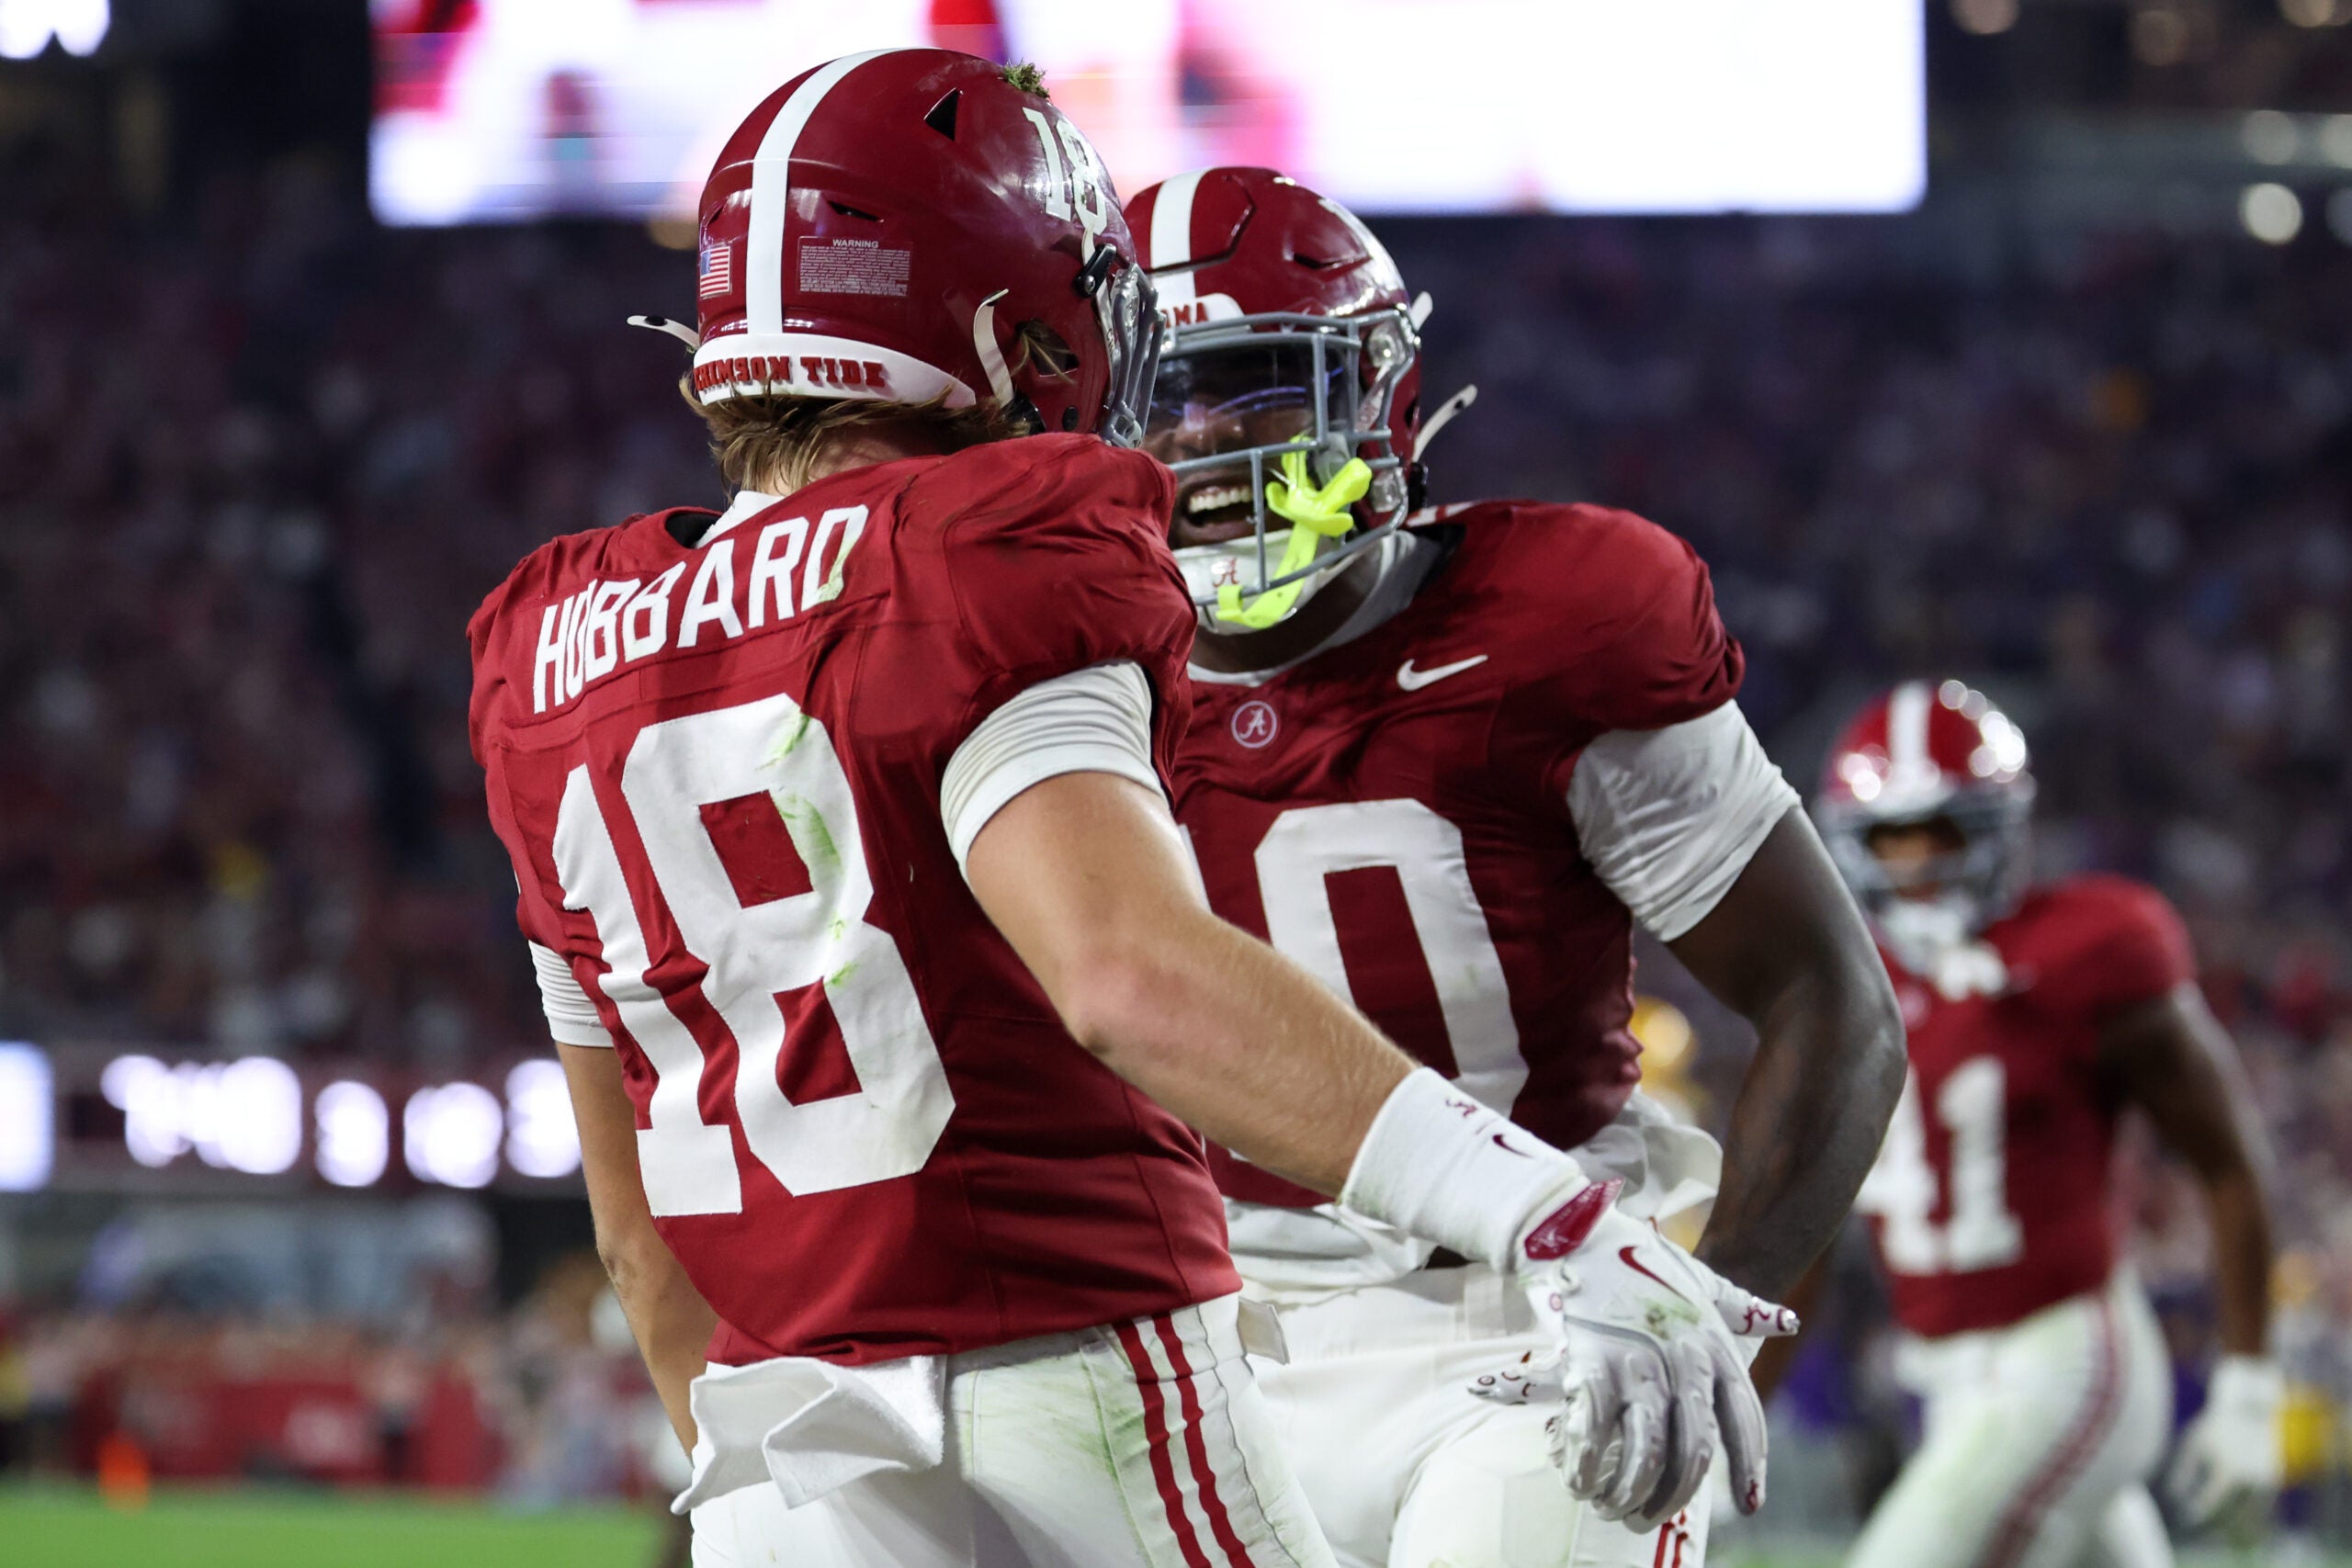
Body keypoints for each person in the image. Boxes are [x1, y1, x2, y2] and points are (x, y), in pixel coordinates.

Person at [469, 54, 1795, 1568]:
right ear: (996, 322)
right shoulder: (997, 539)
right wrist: (1547, 1216)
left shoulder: (544, 646)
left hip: (786, 1438)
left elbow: (639, 1251)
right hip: (1079, 1360)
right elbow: (1128, 975)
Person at [1124, 165, 1906, 1568]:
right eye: (1152, 402)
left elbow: (1826, 992)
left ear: (1375, 393)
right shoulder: (1063, 675)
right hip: (1200, 1348)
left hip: (1536, 1322)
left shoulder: (1555, 620)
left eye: (1248, 389)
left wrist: (1697, 1300)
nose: (1197, 448)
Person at [1816, 680, 2280, 1568]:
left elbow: (2227, 1161)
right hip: (1945, 1377)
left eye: (1944, 833)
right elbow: (1803, 1214)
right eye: (1892, 839)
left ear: (1999, 828)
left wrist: (2250, 1381)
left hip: (2067, 1352)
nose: (1918, 864)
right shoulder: (1841, 981)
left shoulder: (2089, 947)